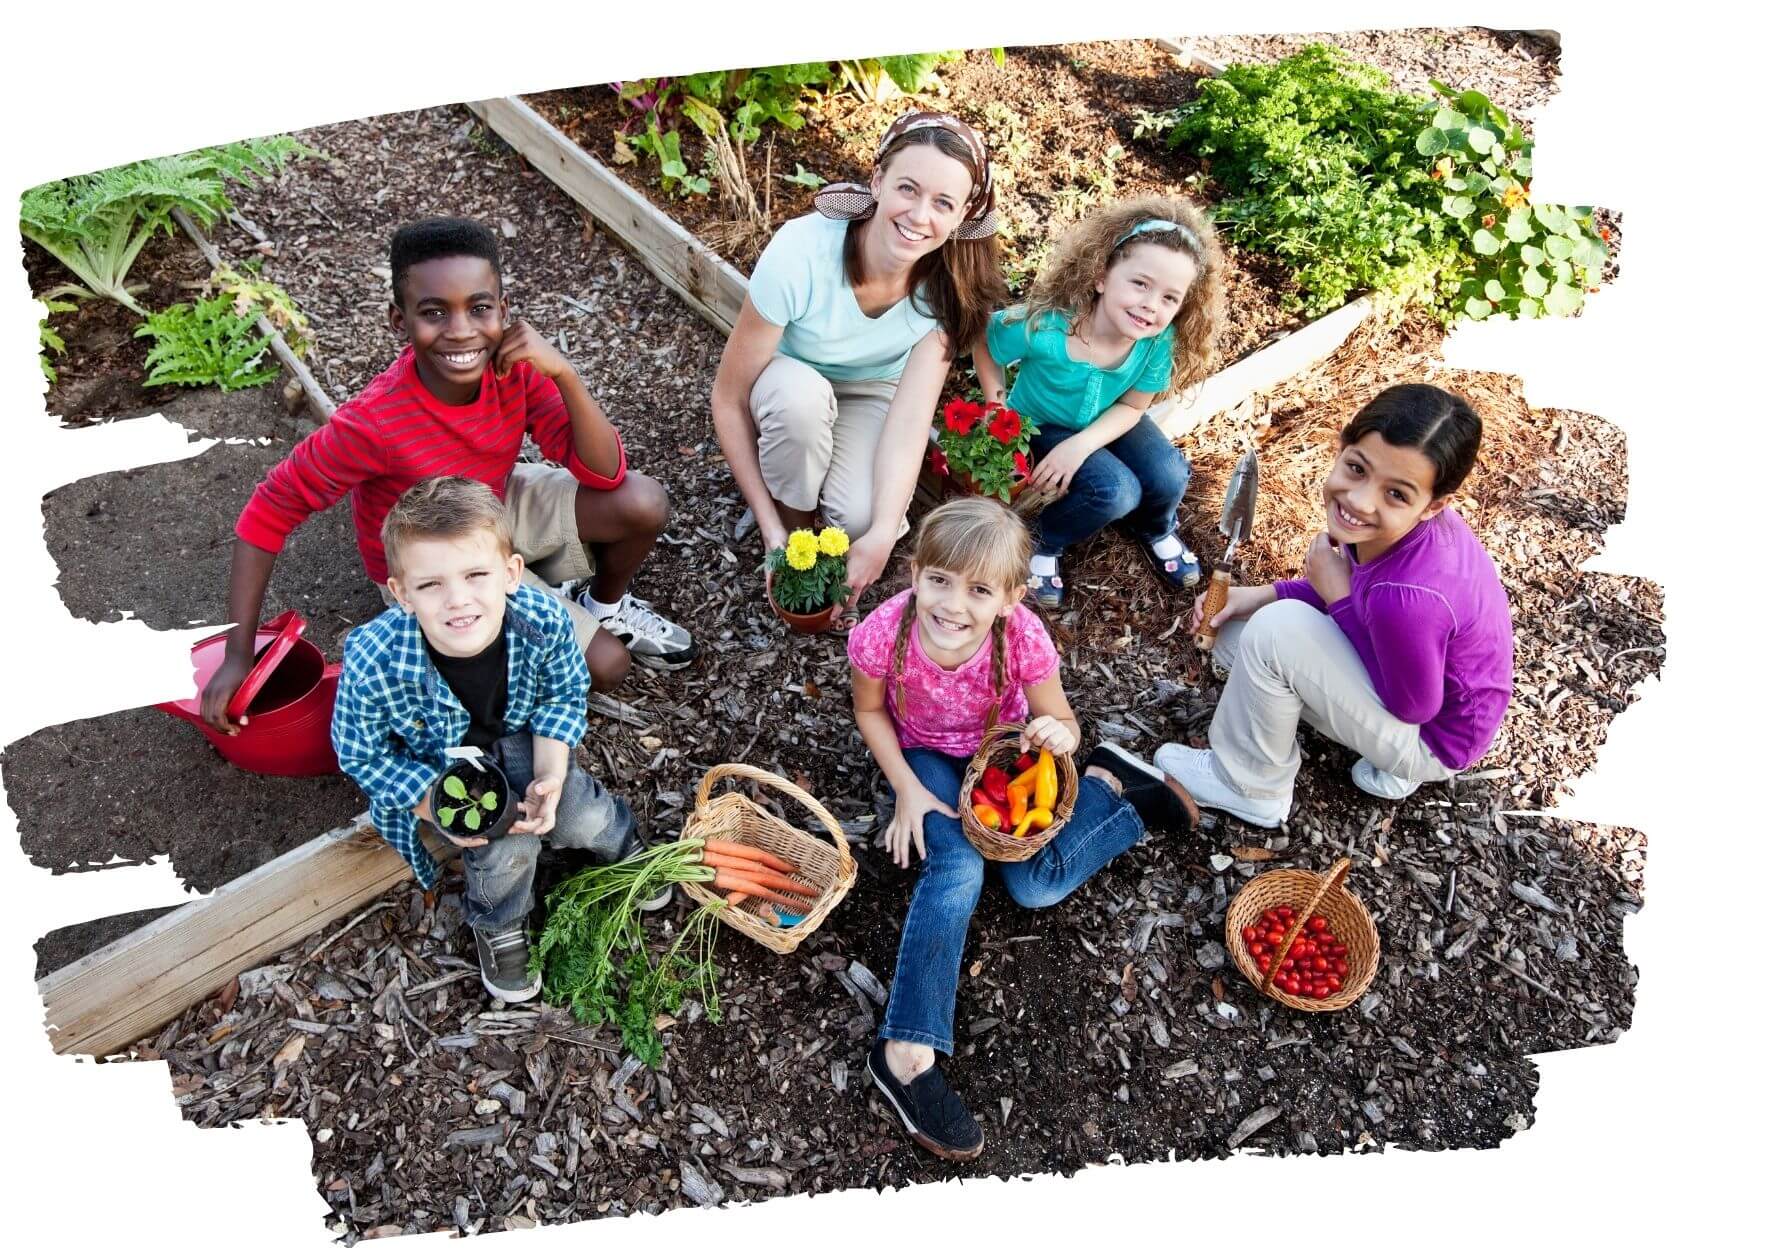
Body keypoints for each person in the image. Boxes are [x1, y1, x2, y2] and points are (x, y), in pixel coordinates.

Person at [201, 216, 694, 735]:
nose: (461, 330)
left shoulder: (516, 369)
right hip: (432, 553)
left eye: (479, 309)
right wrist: (239, 653)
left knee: (642, 501)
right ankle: (463, 664)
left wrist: (564, 373)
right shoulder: (375, 423)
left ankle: (602, 606)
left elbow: (606, 471)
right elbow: (268, 512)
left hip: (491, 505)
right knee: (607, 667)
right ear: (400, 320)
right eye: (434, 312)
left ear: (504, 313)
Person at [847, 497, 1199, 1160]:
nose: (953, 605)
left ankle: (1113, 794)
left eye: (979, 590)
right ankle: (906, 1054)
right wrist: (907, 790)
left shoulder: (1023, 637)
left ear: (1009, 598)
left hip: (1005, 754)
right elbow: (870, 713)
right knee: (956, 866)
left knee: (1034, 887)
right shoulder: (882, 634)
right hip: (924, 755)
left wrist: (1056, 736)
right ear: (914, 572)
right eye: (939, 580)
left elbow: (1063, 725)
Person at [330, 477, 668, 1004]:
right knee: (501, 847)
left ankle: (623, 846)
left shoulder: (545, 620)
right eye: (431, 585)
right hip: (440, 764)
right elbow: (360, 751)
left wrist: (552, 774)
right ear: (400, 593)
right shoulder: (373, 658)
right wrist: (434, 804)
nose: (457, 600)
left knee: (580, 813)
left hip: (523, 735)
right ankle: (502, 921)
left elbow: (562, 696)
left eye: (475, 574)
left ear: (511, 573)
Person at [1156, 384, 1514, 826]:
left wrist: (1336, 598)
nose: (1361, 500)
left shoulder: (1407, 599)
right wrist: (1262, 595)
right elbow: (1356, 596)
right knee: (1236, 633)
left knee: (1272, 634)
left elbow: (1413, 706)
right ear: (1342, 447)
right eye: (1357, 468)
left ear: (1433, 505)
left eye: (1396, 494)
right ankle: (1380, 760)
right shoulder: (1402, 534)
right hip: (1443, 702)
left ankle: (1249, 786)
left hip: (1432, 738)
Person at [711, 111, 1010, 622]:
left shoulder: (950, 289)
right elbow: (728, 397)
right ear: (877, 181)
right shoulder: (802, 252)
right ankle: (795, 520)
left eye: (943, 203)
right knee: (800, 408)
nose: (919, 215)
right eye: (908, 189)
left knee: (862, 518)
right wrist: (772, 529)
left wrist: (879, 534)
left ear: (962, 215)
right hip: (787, 380)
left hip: (871, 391)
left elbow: (911, 422)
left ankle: (822, 508)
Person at [984, 196, 1227, 609]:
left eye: (1170, 298)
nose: (1152, 305)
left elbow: (1133, 407)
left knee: (1169, 473)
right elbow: (987, 343)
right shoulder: (1048, 326)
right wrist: (997, 406)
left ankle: (1155, 528)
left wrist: (1080, 447)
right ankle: (1043, 541)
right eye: (1140, 283)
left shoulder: (1156, 342)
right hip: (1042, 422)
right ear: (1101, 277)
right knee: (1114, 491)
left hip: (1112, 416)